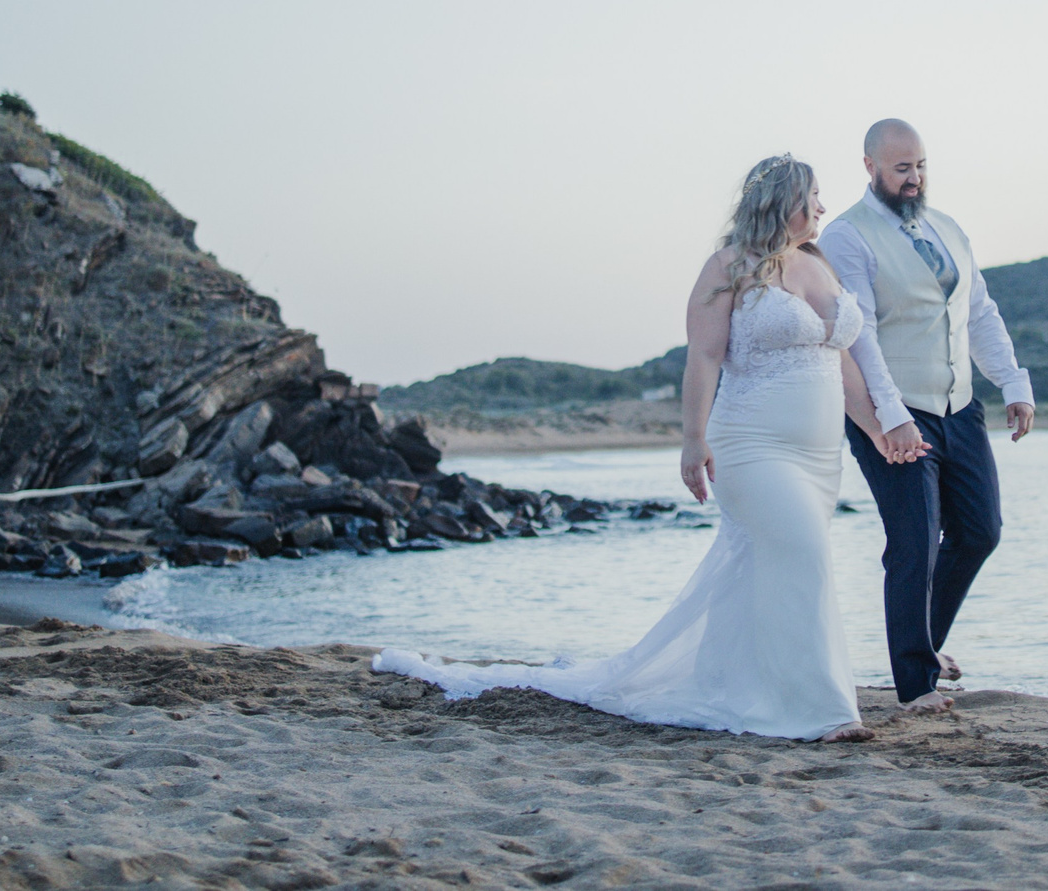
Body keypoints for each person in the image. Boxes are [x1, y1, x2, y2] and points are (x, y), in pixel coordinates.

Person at [372, 155, 889, 742]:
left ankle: (749, 687)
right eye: (813, 195)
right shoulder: (727, 267)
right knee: (804, 555)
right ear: (781, 200)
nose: (822, 207)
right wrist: (692, 441)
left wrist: (878, 429)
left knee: (774, 568)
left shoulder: (819, 266)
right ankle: (825, 712)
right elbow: (705, 358)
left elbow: (840, 360)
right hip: (751, 445)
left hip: (819, 457)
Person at [821, 118, 1035, 714]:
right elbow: (858, 337)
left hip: (959, 405)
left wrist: (1013, 382)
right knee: (914, 539)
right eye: (901, 169)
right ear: (870, 167)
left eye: (920, 166)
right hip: (892, 409)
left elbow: (981, 312)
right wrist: (890, 416)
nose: (914, 179)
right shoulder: (847, 236)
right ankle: (915, 686)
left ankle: (925, 648)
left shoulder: (949, 229)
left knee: (979, 531)